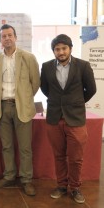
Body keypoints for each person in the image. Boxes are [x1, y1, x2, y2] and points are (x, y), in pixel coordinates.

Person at [40, 34, 96, 204]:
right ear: (54, 51)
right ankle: (62, 186)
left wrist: (75, 103)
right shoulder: (47, 66)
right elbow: (45, 89)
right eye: (57, 49)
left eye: (64, 48)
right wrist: (60, 103)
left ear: (70, 48)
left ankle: (75, 187)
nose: (61, 52)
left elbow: (91, 89)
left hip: (76, 119)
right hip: (54, 118)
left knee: (76, 157)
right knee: (58, 155)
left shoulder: (83, 66)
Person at [0, 24, 40, 196]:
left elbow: (35, 83)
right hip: (3, 107)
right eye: (3, 36)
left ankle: (26, 180)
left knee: (25, 147)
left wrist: (24, 99)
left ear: (16, 37)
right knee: (7, 146)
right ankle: (9, 176)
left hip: (22, 107)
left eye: (10, 35)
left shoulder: (28, 57)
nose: (7, 38)